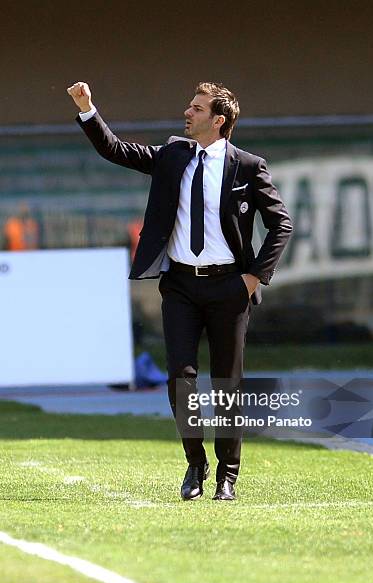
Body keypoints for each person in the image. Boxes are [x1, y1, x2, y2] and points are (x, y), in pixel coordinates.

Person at [67, 80, 293, 501]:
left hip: (230, 286)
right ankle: (196, 463)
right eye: (189, 106)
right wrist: (87, 110)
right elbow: (115, 149)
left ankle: (228, 474)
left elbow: (282, 224)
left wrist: (253, 278)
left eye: (196, 108)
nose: (187, 112)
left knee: (227, 382)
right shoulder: (173, 155)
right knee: (181, 380)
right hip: (181, 285)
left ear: (218, 120)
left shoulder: (247, 166)